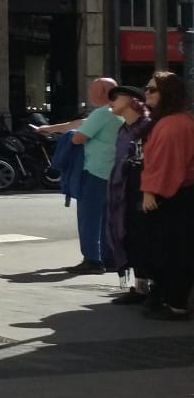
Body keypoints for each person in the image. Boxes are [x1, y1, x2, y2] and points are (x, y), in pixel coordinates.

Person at [41, 76, 120, 273]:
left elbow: (78, 137)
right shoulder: (119, 112)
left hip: (95, 170)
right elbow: (80, 123)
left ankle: (92, 259)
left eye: (92, 90)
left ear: (102, 92)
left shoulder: (102, 113)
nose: (89, 93)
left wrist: (68, 136)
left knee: (89, 218)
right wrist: (50, 129)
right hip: (113, 171)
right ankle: (108, 257)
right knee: (106, 217)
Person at [134, 73, 193, 318]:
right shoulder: (173, 121)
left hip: (173, 196)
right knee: (168, 249)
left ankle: (176, 304)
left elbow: (164, 163)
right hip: (177, 194)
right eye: (146, 89)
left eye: (152, 90)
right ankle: (171, 299)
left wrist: (150, 191)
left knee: (169, 250)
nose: (146, 94)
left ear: (167, 93)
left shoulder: (173, 124)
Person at [106, 83, 153, 306]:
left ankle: (153, 286)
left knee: (145, 236)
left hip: (143, 190)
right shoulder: (124, 129)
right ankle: (140, 285)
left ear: (133, 101)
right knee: (130, 235)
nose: (111, 101)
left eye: (116, 96)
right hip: (123, 190)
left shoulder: (148, 126)